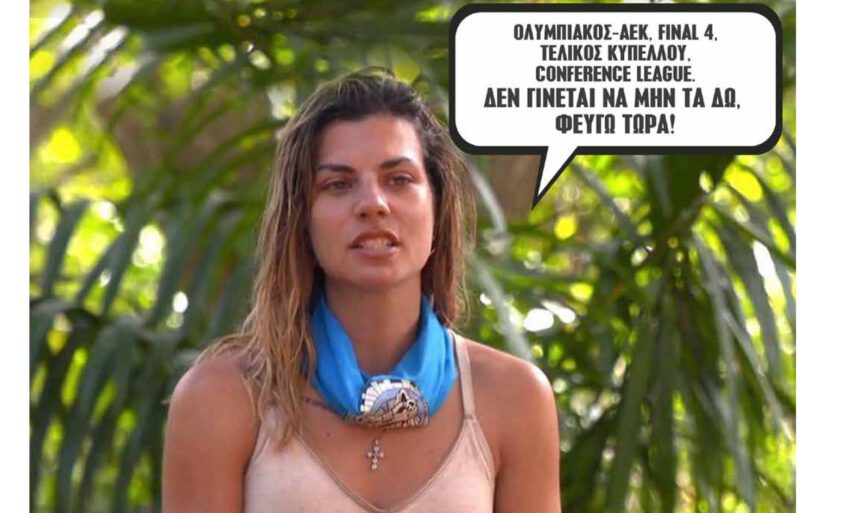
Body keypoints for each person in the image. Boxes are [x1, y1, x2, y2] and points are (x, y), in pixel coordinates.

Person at [162, 69, 560, 513]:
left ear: (438, 206)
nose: (373, 203)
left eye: (399, 179)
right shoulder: (222, 399)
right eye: (338, 184)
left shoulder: (513, 398)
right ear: (302, 219)